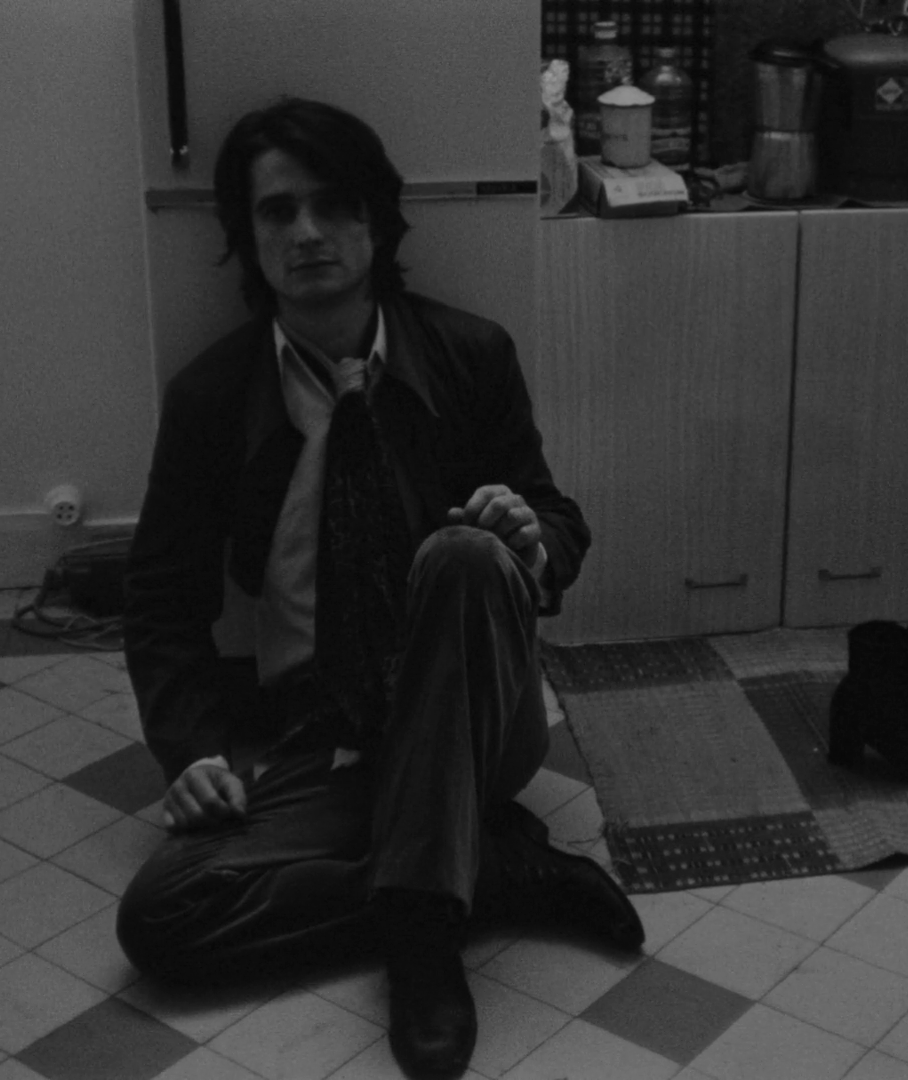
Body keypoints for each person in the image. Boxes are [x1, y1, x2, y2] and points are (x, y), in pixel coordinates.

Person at [115, 97, 643, 1079]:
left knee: (465, 553)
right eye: (278, 212)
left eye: (333, 204)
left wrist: (530, 541)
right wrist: (191, 749)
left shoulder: (471, 354)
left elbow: (558, 516)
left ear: (377, 218)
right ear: (249, 237)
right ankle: (490, 868)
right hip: (321, 736)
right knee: (162, 917)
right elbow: (160, 596)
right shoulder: (210, 398)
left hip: (475, 723)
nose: (307, 232)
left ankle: (421, 935)